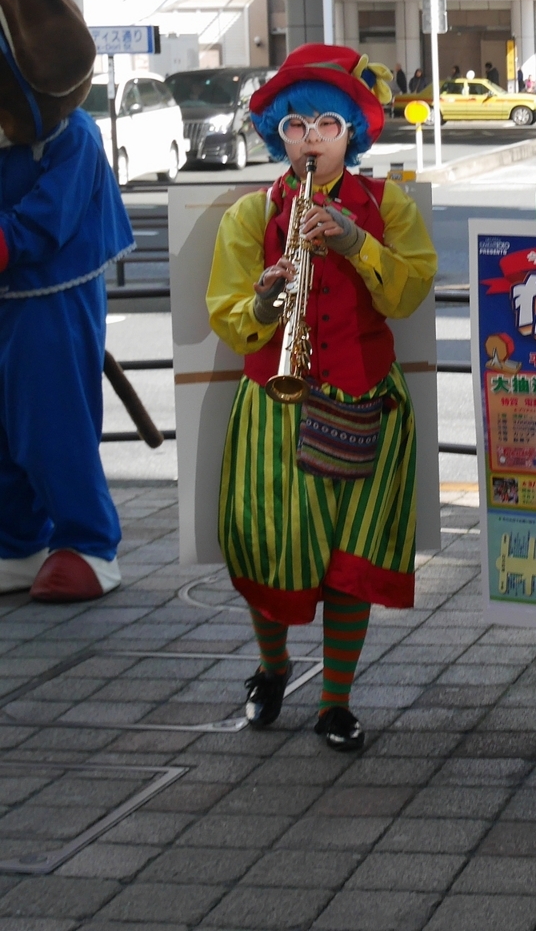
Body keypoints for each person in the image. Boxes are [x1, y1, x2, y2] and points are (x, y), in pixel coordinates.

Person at [206, 44, 437, 751]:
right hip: (275, 409)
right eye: (296, 125)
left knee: (351, 554)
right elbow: (226, 310)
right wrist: (269, 297)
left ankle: (335, 700)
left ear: (352, 136)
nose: (311, 138)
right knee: (266, 547)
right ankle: (273, 669)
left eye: (328, 124)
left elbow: (410, 290)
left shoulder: (386, 204)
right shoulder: (251, 215)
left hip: (366, 397)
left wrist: (356, 243)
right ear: (279, 133)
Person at [0, 0, 135, 602]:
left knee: (50, 420)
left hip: (51, 295)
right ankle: (15, 542)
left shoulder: (70, 135)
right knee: (1, 426)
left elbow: (46, 221)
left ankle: (87, 541)